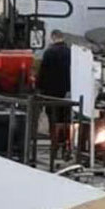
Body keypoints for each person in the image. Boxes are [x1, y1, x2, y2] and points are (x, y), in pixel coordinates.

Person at [37, 30, 72, 159]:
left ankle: (54, 147)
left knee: (53, 119)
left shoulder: (49, 53)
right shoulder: (70, 53)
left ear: (53, 38)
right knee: (65, 120)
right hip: (67, 93)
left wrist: (38, 88)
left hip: (50, 93)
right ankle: (65, 147)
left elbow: (42, 73)